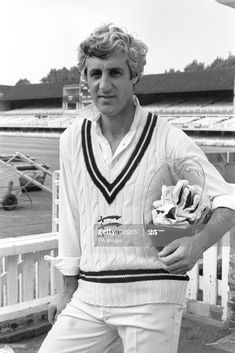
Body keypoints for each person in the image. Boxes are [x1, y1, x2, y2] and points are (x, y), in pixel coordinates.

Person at [38, 24, 235, 353]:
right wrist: (66, 289)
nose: (104, 84)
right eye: (95, 73)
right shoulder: (72, 139)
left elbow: (227, 199)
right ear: (84, 79)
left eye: (115, 72)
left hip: (152, 298)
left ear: (134, 77)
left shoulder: (167, 138)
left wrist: (198, 242)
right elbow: (71, 221)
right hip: (90, 295)